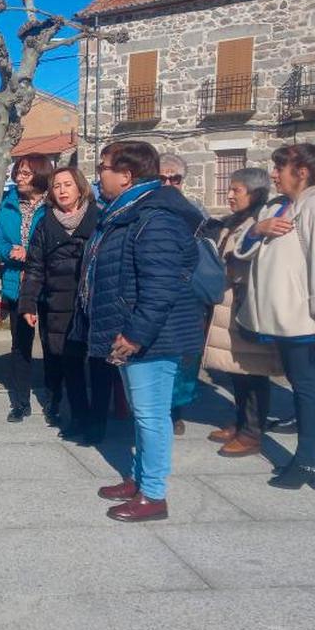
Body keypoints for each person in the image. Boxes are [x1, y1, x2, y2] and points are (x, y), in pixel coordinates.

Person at [79, 141, 204, 523]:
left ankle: (154, 495)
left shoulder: (155, 218)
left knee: (151, 415)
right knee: (142, 413)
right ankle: (139, 479)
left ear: (126, 175)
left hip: (150, 338)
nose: (98, 175)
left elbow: (160, 285)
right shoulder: (128, 212)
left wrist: (135, 334)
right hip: (133, 331)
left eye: (103, 168)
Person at [236, 142, 315, 490]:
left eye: (280, 168)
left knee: (307, 386)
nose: (274, 174)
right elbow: (245, 248)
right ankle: (307, 459)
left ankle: (307, 461)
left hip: (305, 318)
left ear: (301, 172)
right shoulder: (280, 206)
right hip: (284, 316)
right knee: (301, 383)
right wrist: (259, 229)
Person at [202, 168, 283, 458]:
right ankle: (240, 422)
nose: (230, 195)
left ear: (254, 193)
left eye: (237, 190)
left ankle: (252, 432)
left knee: (253, 372)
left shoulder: (261, 223)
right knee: (237, 370)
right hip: (228, 304)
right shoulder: (236, 221)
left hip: (246, 303)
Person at [18, 166, 103, 441]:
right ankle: (78, 418)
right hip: (59, 305)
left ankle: (98, 422)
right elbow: (34, 267)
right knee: (70, 365)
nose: (62, 190)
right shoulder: (46, 223)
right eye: (57, 186)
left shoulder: (99, 218)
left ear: (80, 187)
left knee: (101, 367)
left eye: (67, 184)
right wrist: (28, 303)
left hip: (93, 304)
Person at [0, 154, 52, 422]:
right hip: (17, 284)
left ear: (40, 174)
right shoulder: (9, 204)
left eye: (26, 173)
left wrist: (33, 255)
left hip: (49, 285)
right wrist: (8, 252)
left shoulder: (52, 206)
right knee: (20, 345)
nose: (19, 177)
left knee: (52, 345)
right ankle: (20, 401)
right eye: (18, 172)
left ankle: (54, 399)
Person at [158, 152, 208, 436]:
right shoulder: (146, 206)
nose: (168, 182)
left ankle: (176, 410)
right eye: (162, 177)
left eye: (174, 178)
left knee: (184, 357)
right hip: (156, 290)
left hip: (187, 293)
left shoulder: (196, 209)